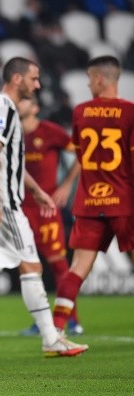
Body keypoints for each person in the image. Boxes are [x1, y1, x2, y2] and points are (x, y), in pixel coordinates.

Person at [0, 57, 88, 358]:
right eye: (33, 78)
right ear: (17, 79)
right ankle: (51, 338)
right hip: (2, 202)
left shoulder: (0, 107)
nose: (37, 85)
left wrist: (37, 190)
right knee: (31, 266)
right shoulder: (3, 108)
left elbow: (6, 160)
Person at [52, 56, 134, 332]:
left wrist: (69, 184)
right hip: (124, 202)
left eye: (89, 78)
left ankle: (56, 331)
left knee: (77, 268)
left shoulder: (81, 112)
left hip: (89, 202)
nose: (88, 83)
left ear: (99, 78)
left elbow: (80, 154)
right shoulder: (130, 112)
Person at [17, 97, 84, 337]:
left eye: (24, 101)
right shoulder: (12, 133)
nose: (18, 104)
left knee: (58, 264)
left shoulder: (50, 132)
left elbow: (81, 153)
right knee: (29, 267)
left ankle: (72, 321)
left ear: (35, 108)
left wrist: (66, 185)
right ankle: (42, 320)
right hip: (20, 209)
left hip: (46, 210)